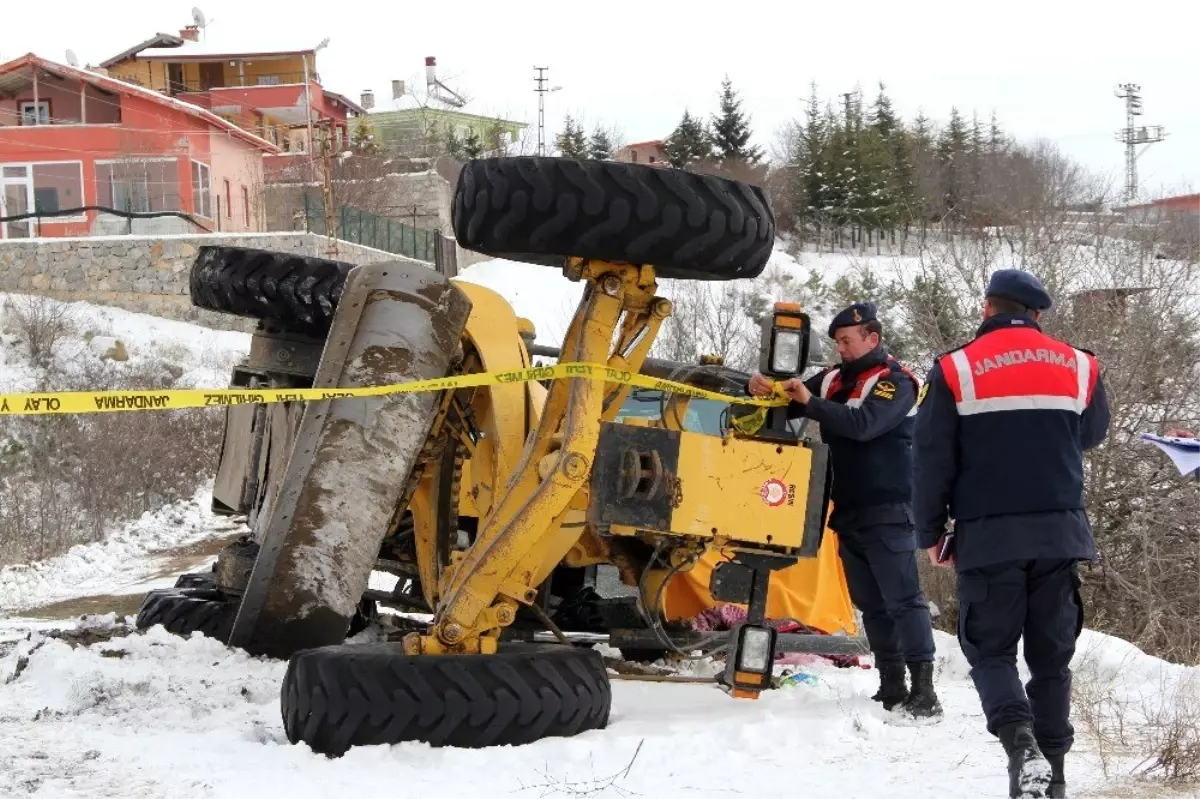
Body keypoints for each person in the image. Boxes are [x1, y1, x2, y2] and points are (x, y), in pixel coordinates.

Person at [913, 269, 1110, 799]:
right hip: (1061, 535)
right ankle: (1056, 777)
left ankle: (1021, 746)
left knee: (992, 652)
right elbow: (1090, 434)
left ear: (986, 309)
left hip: (988, 538)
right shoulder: (1080, 364)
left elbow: (931, 459)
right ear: (1038, 315)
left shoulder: (954, 368)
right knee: (1051, 660)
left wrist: (930, 531)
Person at [748, 301, 942, 722]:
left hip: (889, 506)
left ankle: (924, 689)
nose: (841, 349)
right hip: (849, 508)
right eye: (836, 342)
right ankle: (892, 683)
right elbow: (794, 400)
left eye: (848, 341)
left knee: (904, 600)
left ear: (872, 338)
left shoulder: (896, 381)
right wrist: (763, 388)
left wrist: (807, 400)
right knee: (870, 603)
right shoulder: (835, 378)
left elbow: (864, 425)